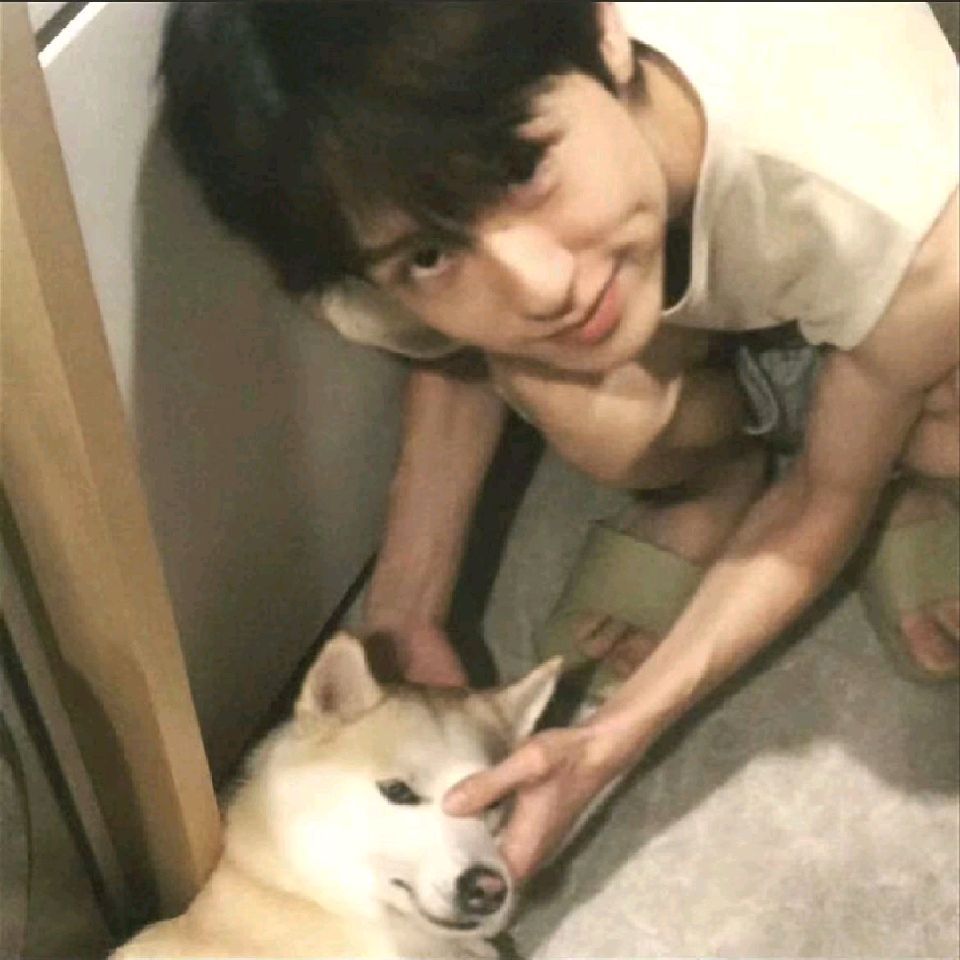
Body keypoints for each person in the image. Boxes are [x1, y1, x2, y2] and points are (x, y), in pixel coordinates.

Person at [159, 2, 959, 884]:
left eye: (520, 165)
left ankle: (894, 449)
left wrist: (617, 736)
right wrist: (407, 608)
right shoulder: (362, 251)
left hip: (874, 240)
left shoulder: (875, 179)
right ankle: (718, 472)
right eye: (429, 254)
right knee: (565, 388)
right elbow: (451, 352)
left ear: (606, 31)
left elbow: (826, 494)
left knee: (944, 415)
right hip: (686, 261)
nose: (537, 285)